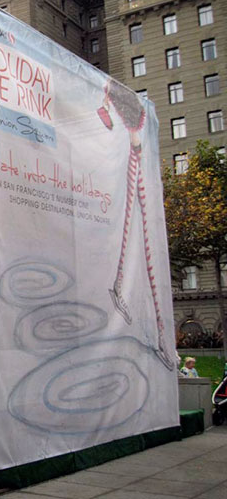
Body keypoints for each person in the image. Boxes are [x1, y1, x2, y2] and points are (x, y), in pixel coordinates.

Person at [99, 79, 173, 371]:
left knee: (141, 240)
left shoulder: (130, 121)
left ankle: (160, 334)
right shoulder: (129, 120)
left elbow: (121, 132)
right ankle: (121, 288)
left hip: (133, 169)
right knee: (132, 232)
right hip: (130, 169)